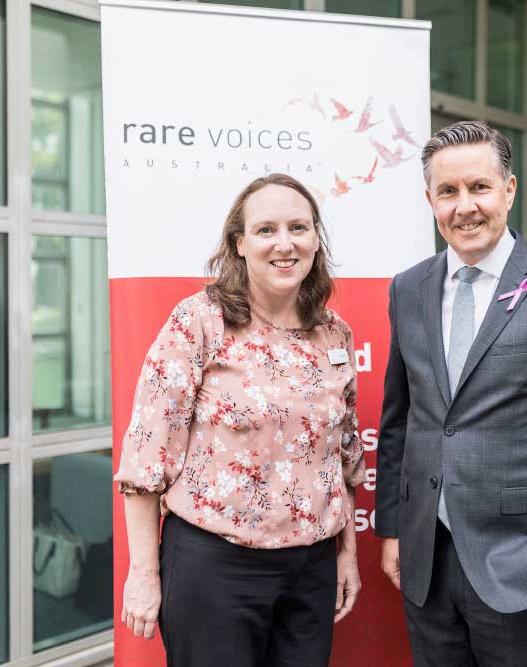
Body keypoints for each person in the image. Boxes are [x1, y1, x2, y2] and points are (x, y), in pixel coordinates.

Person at [374, 121, 527, 666]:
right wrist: (392, 529)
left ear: (509, 190)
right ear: (430, 201)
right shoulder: (408, 289)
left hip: (523, 565)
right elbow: (401, 418)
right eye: (448, 191)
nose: (464, 206)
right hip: (426, 559)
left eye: (479, 187)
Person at [114, 173, 365, 666]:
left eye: (298, 228)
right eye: (266, 229)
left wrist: (346, 553)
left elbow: (344, 455)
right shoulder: (199, 322)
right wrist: (143, 574)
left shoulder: (334, 333)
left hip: (311, 571)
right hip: (216, 569)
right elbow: (146, 458)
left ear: (316, 239)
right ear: (240, 244)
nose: (284, 244)